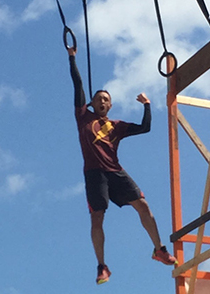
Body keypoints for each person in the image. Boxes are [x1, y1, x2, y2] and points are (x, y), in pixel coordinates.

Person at [66, 47, 177, 285]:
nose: (102, 101)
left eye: (106, 99)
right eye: (98, 99)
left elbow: (145, 127)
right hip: (95, 175)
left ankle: (159, 249)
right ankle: (102, 266)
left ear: (111, 105)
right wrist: (72, 57)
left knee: (143, 206)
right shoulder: (83, 116)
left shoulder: (117, 125)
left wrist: (147, 105)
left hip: (115, 172)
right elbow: (77, 85)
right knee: (97, 217)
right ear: (92, 104)